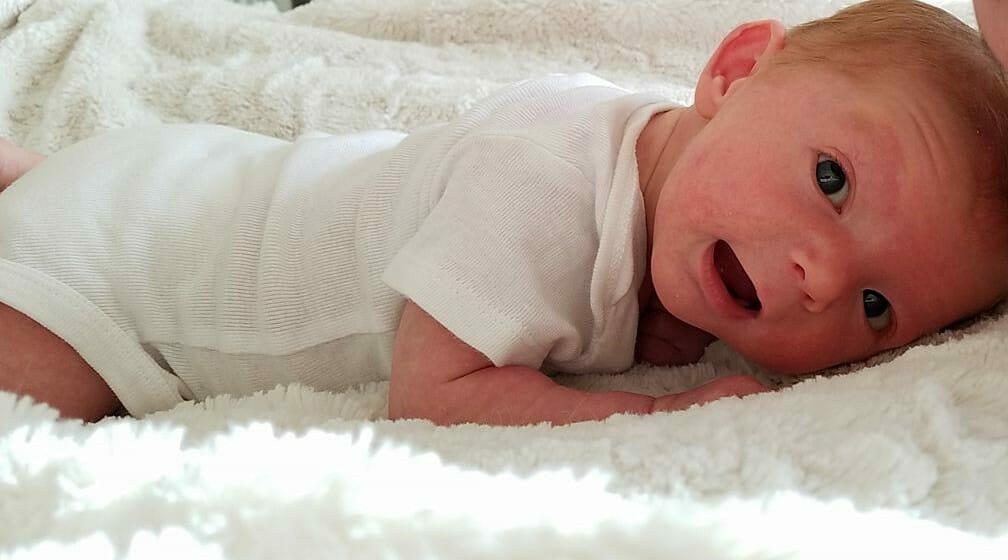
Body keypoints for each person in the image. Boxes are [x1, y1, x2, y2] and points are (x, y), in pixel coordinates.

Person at [0, 0, 1005, 426]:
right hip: (114, 277)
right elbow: (435, 390)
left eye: (877, 306)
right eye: (831, 179)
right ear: (736, 71)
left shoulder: (654, 173)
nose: (823, 278)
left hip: (170, 175)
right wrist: (649, 415)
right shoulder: (544, 177)